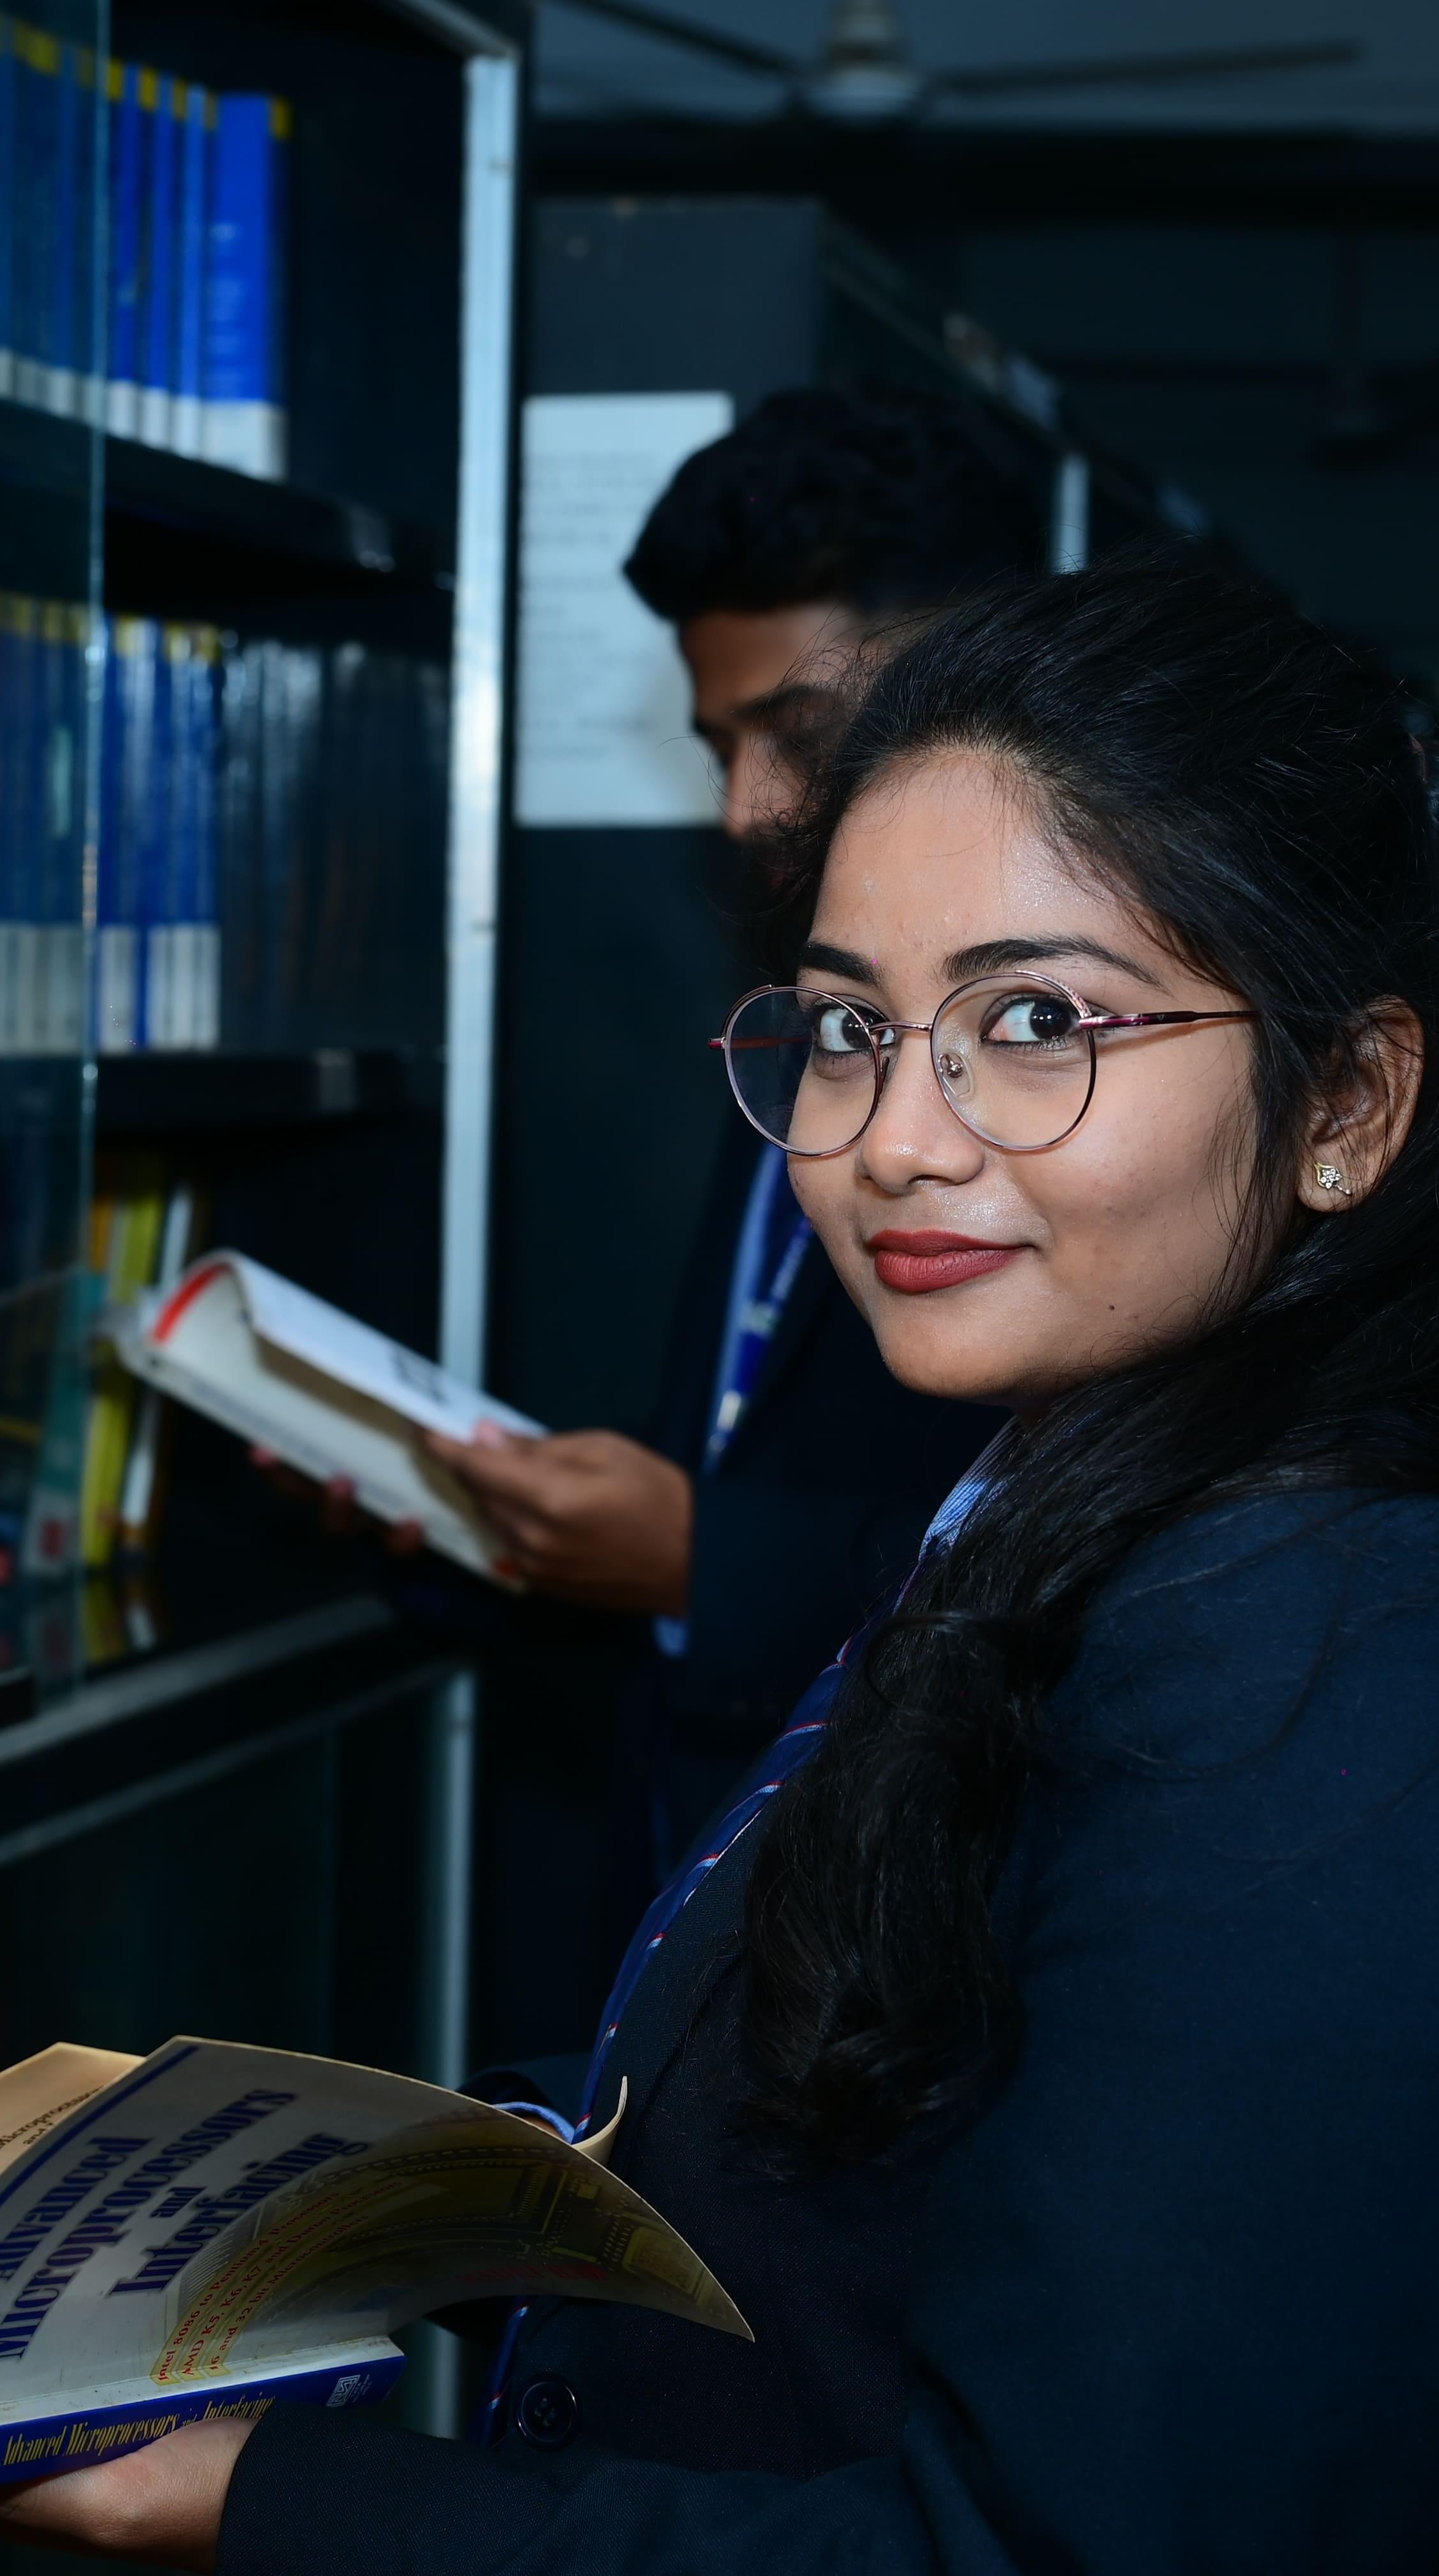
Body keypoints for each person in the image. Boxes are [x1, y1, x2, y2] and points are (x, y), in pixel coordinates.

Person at [0, 551, 1439, 2571]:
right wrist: (321, 2191)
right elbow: (911, 2064)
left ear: (1349, 1104)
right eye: (846, 1029)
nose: (895, 1137)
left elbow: (1082, 2550)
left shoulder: (1352, 1638)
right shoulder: (1093, 1482)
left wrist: (284, 2501)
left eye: (1035, 1018)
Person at [409, 385, 1029, 1899]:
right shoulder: (801, 1015)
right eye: (717, 742)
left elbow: (1082, 1547)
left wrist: (707, 1559)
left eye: (797, 733)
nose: (748, 805)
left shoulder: (1073, 1066)